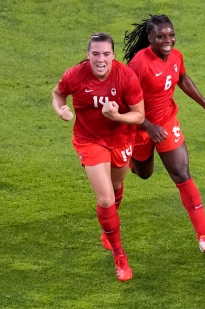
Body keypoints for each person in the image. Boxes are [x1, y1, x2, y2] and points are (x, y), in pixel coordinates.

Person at [122, 14, 205, 253]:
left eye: (171, 35)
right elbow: (123, 101)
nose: (168, 40)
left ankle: (203, 237)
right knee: (144, 173)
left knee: (182, 173)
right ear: (150, 39)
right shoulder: (139, 64)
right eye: (161, 36)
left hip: (166, 123)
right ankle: (132, 163)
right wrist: (147, 126)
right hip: (140, 128)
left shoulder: (176, 56)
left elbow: (183, 79)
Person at [51, 32, 145, 282]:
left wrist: (117, 117)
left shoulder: (126, 76)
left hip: (120, 138)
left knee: (115, 186)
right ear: (88, 54)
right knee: (105, 199)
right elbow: (57, 93)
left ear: (113, 55)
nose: (100, 59)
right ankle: (120, 257)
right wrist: (60, 109)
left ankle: (109, 225)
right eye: (95, 54)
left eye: (105, 54)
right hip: (88, 139)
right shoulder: (75, 75)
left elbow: (139, 115)